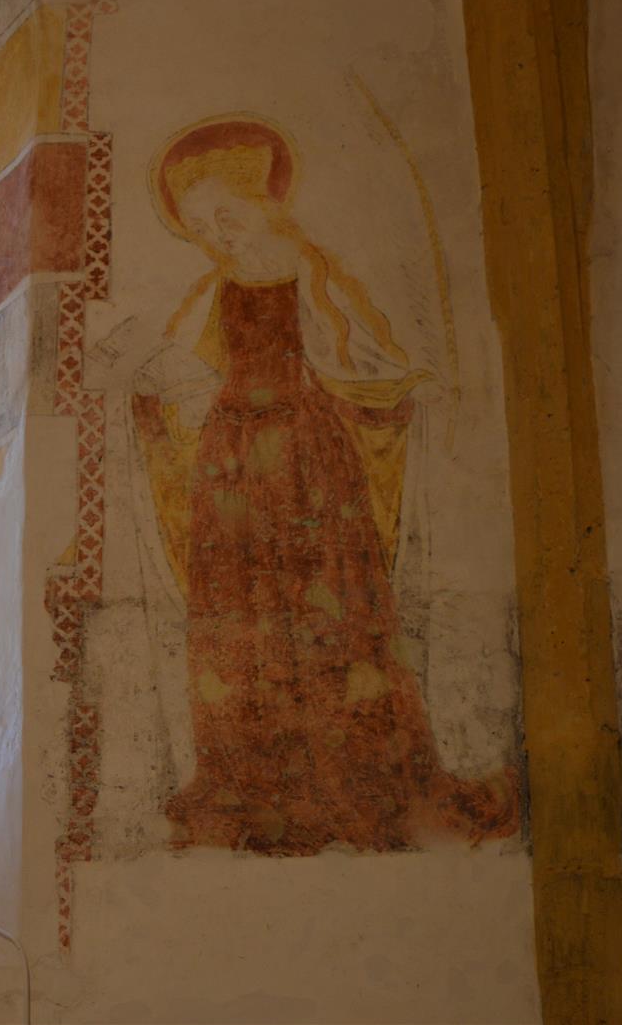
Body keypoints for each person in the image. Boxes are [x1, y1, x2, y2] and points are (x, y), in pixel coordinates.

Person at [131, 117, 516, 854]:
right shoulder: (213, 289)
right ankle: (250, 785)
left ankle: (352, 781)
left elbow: (361, 358)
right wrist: (152, 387)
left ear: (265, 202)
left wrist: (407, 386)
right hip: (231, 473)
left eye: (228, 216)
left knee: (330, 620)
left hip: (309, 471)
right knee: (238, 625)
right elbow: (184, 369)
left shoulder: (314, 273)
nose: (220, 235)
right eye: (205, 226)